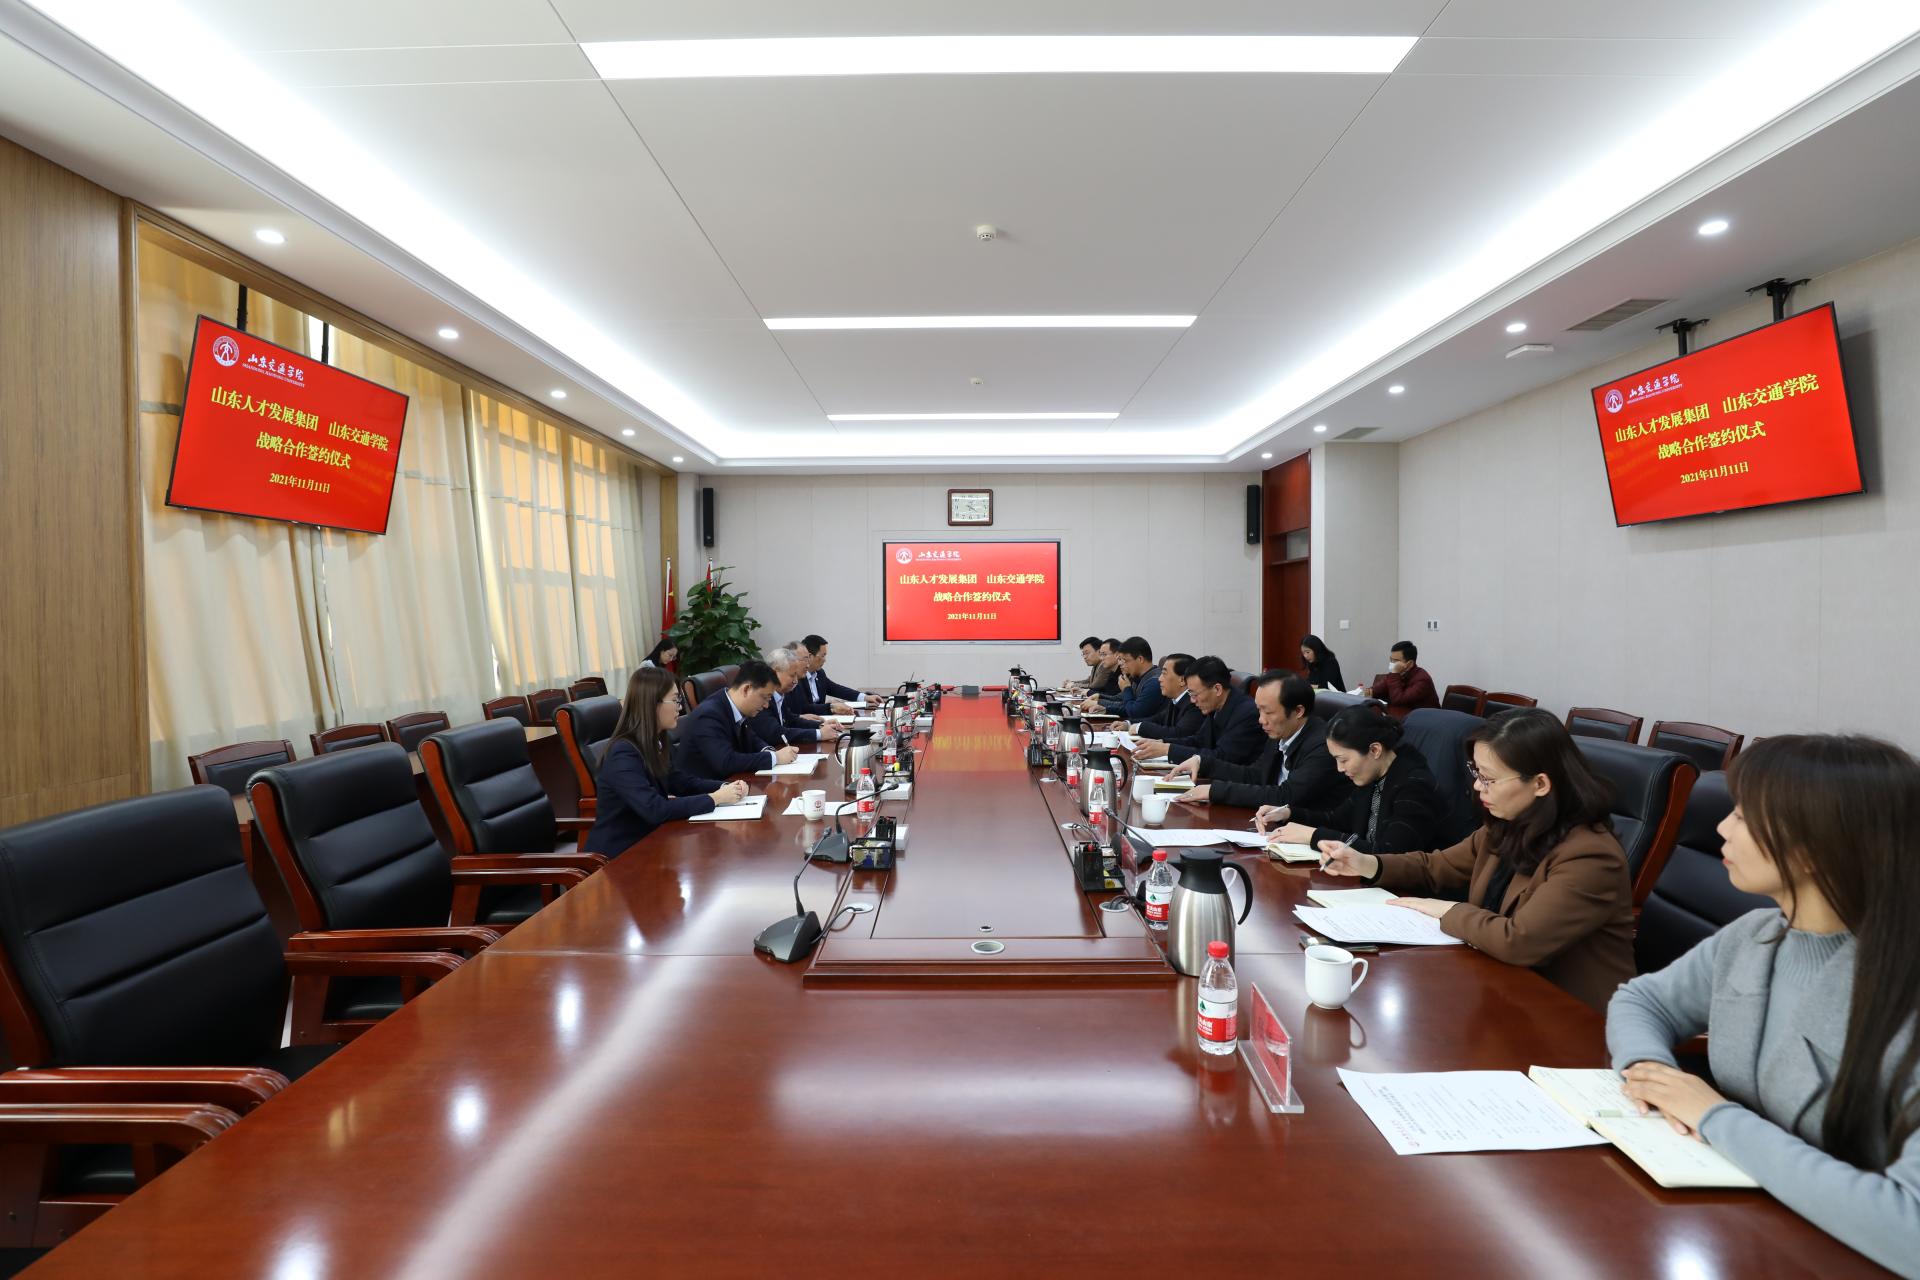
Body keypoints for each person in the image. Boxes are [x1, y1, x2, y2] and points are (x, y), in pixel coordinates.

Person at [1606, 735, 1920, 1273]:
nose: (1722, 829)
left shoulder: (1901, 990)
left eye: (1745, 816)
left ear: (1819, 846)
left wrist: (1713, 1117)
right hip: (1746, 1227)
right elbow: (1642, 999)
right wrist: (1653, 1074)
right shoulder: (1756, 934)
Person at [1309, 707, 1632, 1010]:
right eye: (1476, 773)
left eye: (1489, 779)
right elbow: (1436, 866)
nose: (1477, 786)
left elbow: (1518, 940)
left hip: (1567, 1014)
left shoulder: (1590, 855)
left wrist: (1448, 910)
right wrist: (1368, 863)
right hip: (1498, 987)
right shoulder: (1506, 826)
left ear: (1540, 784)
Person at [583, 668, 747, 856]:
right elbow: (655, 809)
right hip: (619, 856)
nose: (680, 707)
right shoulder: (623, 753)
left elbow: (682, 783)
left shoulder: (655, 742)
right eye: (675, 700)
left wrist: (726, 787)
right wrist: (715, 798)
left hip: (651, 843)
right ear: (652, 703)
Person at [1259, 703, 1446, 857]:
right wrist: (1287, 813)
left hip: (1401, 888)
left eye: (1344, 760)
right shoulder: (1373, 775)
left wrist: (1313, 836)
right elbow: (1337, 820)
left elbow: (1390, 855)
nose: (1340, 769)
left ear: (1374, 750)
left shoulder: (1415, 786)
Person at [1169, 673, 1346, 813]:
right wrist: (1203, 763)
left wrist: (1215, 791)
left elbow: (1286, 796)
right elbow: (1256, 775)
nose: (1261, 720)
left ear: (1298, 711)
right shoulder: (1281, 731)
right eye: (1259, 710)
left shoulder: (1323, 745)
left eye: (1268, 712)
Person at [674, 661, 800, 779]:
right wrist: (775, 758)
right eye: (765, 697)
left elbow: (752, 739)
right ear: (746, 689)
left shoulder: (735, 706)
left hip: (733, 783)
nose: (766, 705)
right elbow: (726, 761)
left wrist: (769, 751)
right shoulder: (708, 715)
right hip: (706, 789)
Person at [1130, 656, 1263, 767]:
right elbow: (1199, 740)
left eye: (1194, 694)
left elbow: (1222, 757)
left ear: (1217, 689)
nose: (1192, 700)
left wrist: (1169, 750)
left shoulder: (1246, 714)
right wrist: (1163, 743)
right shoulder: (1216, 705)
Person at [752, 648, 844, 748]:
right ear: (775, 672)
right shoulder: (762, 699)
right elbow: (775, 732)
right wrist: (819, 734)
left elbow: (792, 720)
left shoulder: (779, 695)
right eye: (792, 675)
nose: (795, 681)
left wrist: (821, 725)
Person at [1083, 636, 1164, 722]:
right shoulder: (1139, 677)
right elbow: (1122, 701)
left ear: (1140, 659)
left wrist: (1126, 689)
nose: (1121, 664)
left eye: (1125, 660)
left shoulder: (1154, 682)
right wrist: (1105, 708)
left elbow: (1135, 712)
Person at [1129, 653, 1203, 741]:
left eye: (1164, 673)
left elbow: (1178, 733)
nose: (1159, 679)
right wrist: (1128, 723)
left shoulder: (1194, 703)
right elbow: (1158, 719)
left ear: (1182, 680)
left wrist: (1140, 727)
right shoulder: (1174, 699)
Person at [1362, 640, 1438, 713]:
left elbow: (1398, 700)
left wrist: (1395, 673)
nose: (1392, 663)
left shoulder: (1422, 680)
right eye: (1391, 660)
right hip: (1404, 715)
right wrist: (1371, 691)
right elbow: (1378, 689)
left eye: (1395, 661)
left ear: (1410, 664)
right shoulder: (1400, 673)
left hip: (1426, 718)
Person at [795, 635, 859, 715]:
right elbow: (804, 709)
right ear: (810, 657)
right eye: (822, 656)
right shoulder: (797, 678)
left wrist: (864, 697)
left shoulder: (819, 673)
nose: (824, 660)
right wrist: (830, 707)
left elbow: (836, 689)